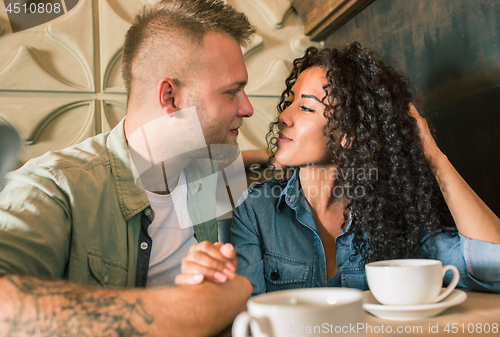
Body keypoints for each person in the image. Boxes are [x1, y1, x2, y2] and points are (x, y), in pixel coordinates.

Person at [0, 0, 260, 335]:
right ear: (170, 97)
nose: (248, 107)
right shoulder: (55, 186)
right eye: (231, 92)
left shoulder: (208, 168)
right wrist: (200, 306)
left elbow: (248, 165)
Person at [177, 43, 500, 297]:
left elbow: (491, 269)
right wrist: (267, 156)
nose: (283, 116)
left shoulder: (394, 215)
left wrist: (433, 156)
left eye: (305, 107)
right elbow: (245, 311)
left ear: (349, 134)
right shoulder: (257, 210)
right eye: (289, 101)